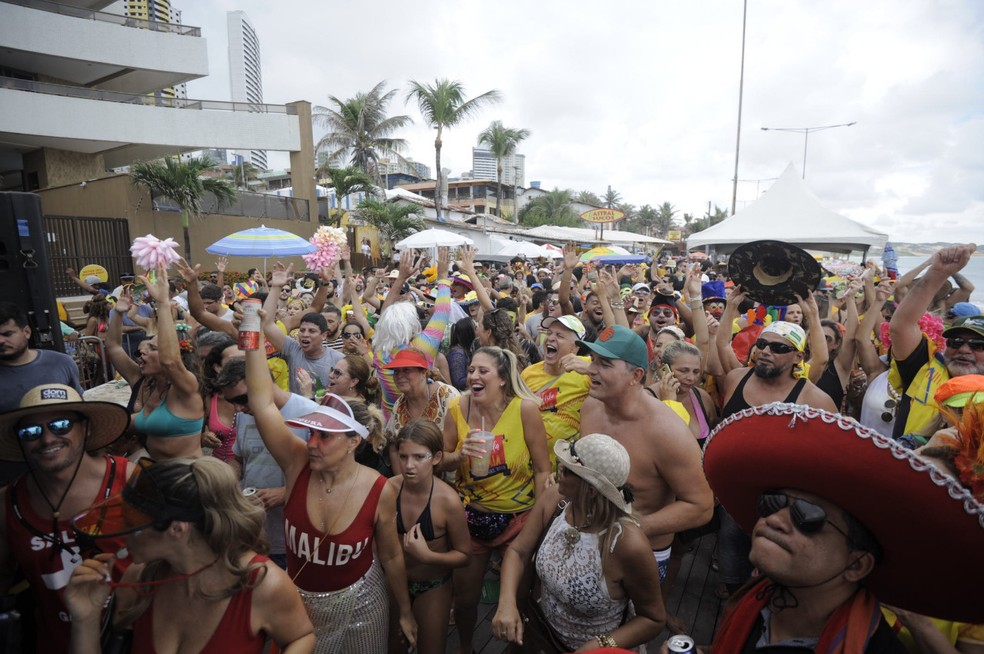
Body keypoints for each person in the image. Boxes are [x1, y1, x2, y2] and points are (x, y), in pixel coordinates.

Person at [700, 402, 984, 653]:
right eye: (772, 502)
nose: (774, 519)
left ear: (857, 564)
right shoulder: (754, 603)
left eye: (808, 517)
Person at [243, 337, 417, 651]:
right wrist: (251, 326)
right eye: (311, 433)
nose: (311, 443)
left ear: (353, 442)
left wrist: (404, 611)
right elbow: (261, 402)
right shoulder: (297, 464)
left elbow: (390, 555)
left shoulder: (379, 488)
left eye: (325, 436)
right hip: (298, 607)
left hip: (363, 606)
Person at [66, 457, 315, 653]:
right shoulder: (137, 580)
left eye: (132, 522)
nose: (123, 534)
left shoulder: (262, 584)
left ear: (177, 528)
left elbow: (301, 636)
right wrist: (85, 619)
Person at [493, 433, 666, 652]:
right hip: (539, 636)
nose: (559, 474)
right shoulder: (554, 499)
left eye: (566, 470)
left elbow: (652, 619)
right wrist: (507, 603)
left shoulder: (627, 544)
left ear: (591, 490)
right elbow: (518, 551)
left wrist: (598, 646)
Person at [0, 384, 133, 653]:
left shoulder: (130, 482)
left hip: (136, 639)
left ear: (86, 428)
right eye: (31, 432)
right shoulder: (7, 505)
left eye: (61, 425)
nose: (47, 439)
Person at [578, 325, 714, 584]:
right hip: (588, 536)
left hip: (643, 551)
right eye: (593, 361)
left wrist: (631, 529)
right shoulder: (591, 406)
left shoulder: (668, 431)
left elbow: (702, 507)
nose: (591, 370)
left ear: (636, 375)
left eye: (605, 364)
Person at [439, 346, 552, 654]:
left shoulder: (525, 410)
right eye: (472, 370)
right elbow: (439, 462)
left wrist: (539, 527)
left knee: (518, 599)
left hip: (518, 519)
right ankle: (465, 647)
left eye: (483, 371)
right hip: (470, 519)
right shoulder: (457, 408)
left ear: (503, 379)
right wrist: (459, 455)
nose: (473, 375)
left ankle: (517, 649)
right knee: (464, 601)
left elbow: (543, 471)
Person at [213, 358, 318, 570]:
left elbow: (330, 478)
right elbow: (240, 459)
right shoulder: (244, 415)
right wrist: (225, 480)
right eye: (231, 401)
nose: (238, 408)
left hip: (292, 538)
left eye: (243, 399)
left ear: (263, 383)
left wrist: (287, 492)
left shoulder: (310, 413)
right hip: (253, 532)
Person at [385, 420, 470, 654]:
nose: (409, 466)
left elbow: (465, 556)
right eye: (403, 457)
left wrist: (428, 556)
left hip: (432, 587)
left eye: (418, 457)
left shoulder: (448, 501)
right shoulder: (389, 490)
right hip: (395, 583)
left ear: (436, 457)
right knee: (393, 648)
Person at [106, 264, 205, 460]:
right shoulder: (142, 381)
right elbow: (114, 347)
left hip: (185, 477)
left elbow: (170, 362)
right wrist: (118, 313)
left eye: (153, 348)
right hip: (154, 473)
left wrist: (163, 303)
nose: (142, 350)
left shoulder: (186, 386)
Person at [889, 244, 981, 440]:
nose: (964, 349)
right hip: (905, 467)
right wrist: (937, 273)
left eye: (977, 345)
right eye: (956, 341)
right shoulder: (925, 366)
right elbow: (901, 325)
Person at [261, 262, 343, 396]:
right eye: (302, 330)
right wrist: (276, 287)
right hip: (295, 413)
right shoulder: (293, 349)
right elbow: (267, 324)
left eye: (312, 331)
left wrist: (325, 282)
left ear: (324, 335)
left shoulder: (338, 360)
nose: (305, 335)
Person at [521, 314, 591, 467]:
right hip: (530, 464)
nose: (551, 338)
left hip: (568, 466)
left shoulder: (589, 368)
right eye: (550, 333)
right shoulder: (528, 374)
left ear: (575, 347)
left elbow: (620, 386)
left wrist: (591, 370)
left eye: (559, 335)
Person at [383, 349, 459, 474]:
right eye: (396, 371)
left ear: (424, 372)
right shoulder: (400, 404)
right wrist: (402, 482)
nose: (399, 376)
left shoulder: (446, 396)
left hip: (449, 476)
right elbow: (393, 446)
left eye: (406, 370)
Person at [0, 302, 83, 412]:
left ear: (27, 332)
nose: (1, 341)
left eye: (7, 334)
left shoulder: (62, 363)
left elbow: (79, 405)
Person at [651, 340, 719, 448]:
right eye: (683, 371)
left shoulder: (703, 397)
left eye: (696, 372)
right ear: (665, 369)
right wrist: (669, 402)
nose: (691, 378)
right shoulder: (647, 399)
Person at [447, 317, 476, 391]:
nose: (478, 331)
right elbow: (458, 382)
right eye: (475, 328)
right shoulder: (457, 354)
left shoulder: (465, 350)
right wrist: (478, 378)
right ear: (469, 333)